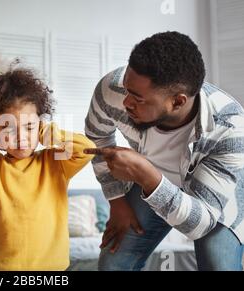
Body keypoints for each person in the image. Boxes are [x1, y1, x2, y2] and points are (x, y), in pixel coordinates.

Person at [84, 31, 244, 271]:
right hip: (153, 180)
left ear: (178, 102)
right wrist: (117, 200)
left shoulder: (230, 129)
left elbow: (199, 225)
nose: (126, 102)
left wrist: (145, 174)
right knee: (113, 263)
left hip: (213, 196)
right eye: (127, 89)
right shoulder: (114, 89)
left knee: (216, 265)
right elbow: (98, 135)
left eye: (138, 98)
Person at [0, 68, 96, 270]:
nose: (21, 137)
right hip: (0, 265)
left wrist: (49, 134)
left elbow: (87, 149)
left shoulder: (57, 163)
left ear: (40, 126)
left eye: (30, 127)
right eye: (8, 128)